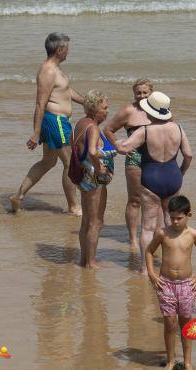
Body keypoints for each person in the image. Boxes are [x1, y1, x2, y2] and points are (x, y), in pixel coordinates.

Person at [115, 91, 193, 273]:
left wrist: (118, 143)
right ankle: (169, 263)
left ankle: (144, 268)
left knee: (148, 226)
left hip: (151, 179)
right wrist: (180, 173)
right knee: (170, 222)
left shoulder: (145, 130)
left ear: (149, 112)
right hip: (173, 177)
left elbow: (124, 148)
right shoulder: (178, 128)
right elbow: (189, 155)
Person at [10, 32, 84, 216]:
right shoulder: (48, 71)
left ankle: (18, 196)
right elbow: (40, 102)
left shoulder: (56, 69)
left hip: (58, 121)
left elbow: (66, 91)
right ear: (59, 50)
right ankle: (74, 207)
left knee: (48, 161)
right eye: (67, 48)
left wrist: (88, 102)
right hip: (56, 121)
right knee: (70, 165)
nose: (69, 51)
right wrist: (35, 133)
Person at [145, 196, 196, 370]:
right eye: (172, 217)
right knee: (169, 324)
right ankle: (171, 360)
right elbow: (149, 251)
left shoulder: (193, 235)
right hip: (165, 284)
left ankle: (187, 361)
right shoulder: (162, 233)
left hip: (187, 284)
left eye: (179, 218)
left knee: (186, 324)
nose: (175, 221)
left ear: (189, 215)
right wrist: (151, 273)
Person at [103, 78, 153, 251]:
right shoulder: (128, 111)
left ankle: (153, 234)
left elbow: (172, 129)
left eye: (145, 92)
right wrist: (118, 146)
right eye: (138, 92)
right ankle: (132, 239)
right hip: (135, 159)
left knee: (156, 200)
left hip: (156, 160)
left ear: (151, 93)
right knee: (135, 200)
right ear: (134, 93)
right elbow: (108, 129)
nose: (141, 96)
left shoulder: (160, 110)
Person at [71, 90, 115, 269]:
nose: (107, 111)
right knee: (96, 221)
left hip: (83, 177)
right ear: (95, 108)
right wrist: (99, 166)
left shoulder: (81, 123)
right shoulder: (94, 128)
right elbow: (91, 151)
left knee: (87, 221)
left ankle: (84, 259)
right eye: (104, 108)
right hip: (94, 178)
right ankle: (91, 262)